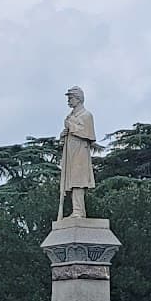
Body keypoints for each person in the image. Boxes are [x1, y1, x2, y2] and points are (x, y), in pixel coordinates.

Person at [59, 86, 96, 219]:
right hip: (70, 154)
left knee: (78, 182)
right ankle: (76, 210)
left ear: (78, 99)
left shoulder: (86, 115)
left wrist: (71, 127)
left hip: (80, 153)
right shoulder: (70, 116)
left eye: (71, 98)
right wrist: (63, 136)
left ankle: (79, 211)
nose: (68, 101)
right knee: (72, 182)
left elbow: (89, 134)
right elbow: (68, 137)